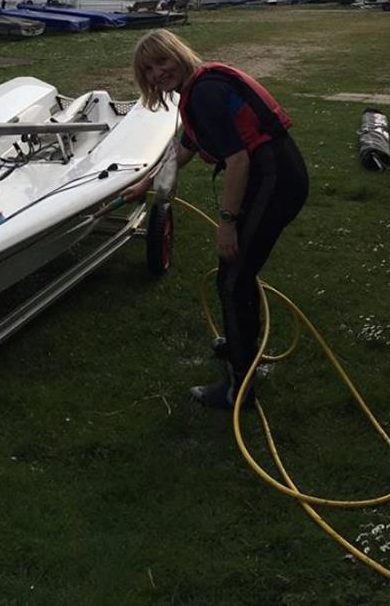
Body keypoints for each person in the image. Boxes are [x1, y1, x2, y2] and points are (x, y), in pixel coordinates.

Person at [123, 29, 309, 409]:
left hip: (274, 180)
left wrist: (227, 222)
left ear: (178, 54)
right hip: (274, 176)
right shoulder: (198, 86)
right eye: (149, 70)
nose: (158, 73)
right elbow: (187, 145)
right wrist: (147, 183)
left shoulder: (205, 92)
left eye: (162, 61)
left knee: (234, 276)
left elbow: (239, 161)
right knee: (236, 273)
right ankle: (240, 343)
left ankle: (237, 389)